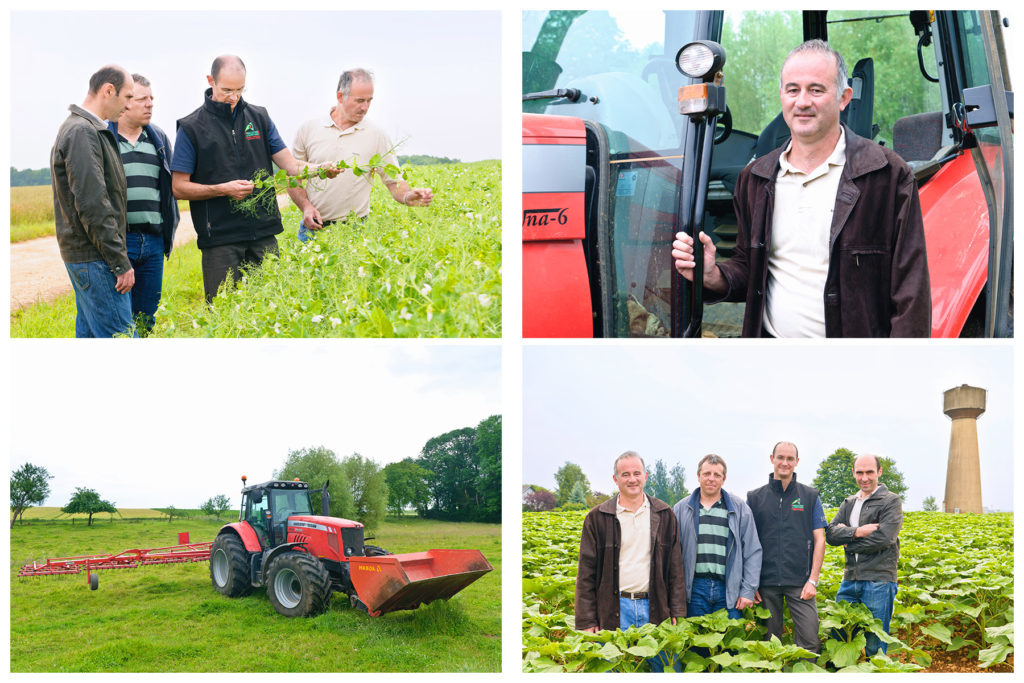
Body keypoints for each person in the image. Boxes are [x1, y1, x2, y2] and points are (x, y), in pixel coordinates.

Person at [672, 39, 931, 337]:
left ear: (844, 97)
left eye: (816, 90)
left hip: (855, 369)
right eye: (793, 90)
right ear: (782, 96)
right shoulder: (755, 179)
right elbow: (748, 268)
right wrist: (713, 274)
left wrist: (902, 371)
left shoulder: (887, 175)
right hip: (771, 362)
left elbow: (911, 294)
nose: (803, 101)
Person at [171, 55, 340, 302]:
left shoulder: (259, 117)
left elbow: (290, 165)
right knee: (223, 312)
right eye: (227, 90)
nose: (234, 97)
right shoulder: (191, 127)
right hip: (220, 239)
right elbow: (179, 187)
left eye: (240, 89)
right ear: (211, 81)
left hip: (263, 233)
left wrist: (319, 168)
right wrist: (223, 189)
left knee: (272, 307)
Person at [288, 68, 434, 242]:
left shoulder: (376, 135)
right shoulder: (309, 129)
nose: (365, 107)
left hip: (355, 230)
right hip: (313, 228)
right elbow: (292, 176)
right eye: (359, 101)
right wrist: (306, 207)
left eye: (369, 101)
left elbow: (394, 180)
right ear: (340, 97)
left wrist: (407, 196)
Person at [575, 451, 685, 671]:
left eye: (637, 473)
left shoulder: (664, 514)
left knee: (665, 667)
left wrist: (677, 611)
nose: (632, 479)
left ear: (646, 475)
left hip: (656, 606)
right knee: (615, 668)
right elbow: (586, 573)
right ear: (615, 479)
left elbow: (675, 569)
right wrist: (587, 621)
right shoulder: (597, 518)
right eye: (625, 474)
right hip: (615, 607)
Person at [51, 65, 137, 337]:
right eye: (127, 97)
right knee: (121, 337)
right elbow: (93, 204)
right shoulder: (82, 132)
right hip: (95, 257)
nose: (128, 106)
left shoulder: (86, 128)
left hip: (91, 256)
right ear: (108, 91)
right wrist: (119, 262)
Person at [108, 74, 179, 335]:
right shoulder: (105, 138)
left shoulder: (158, 138)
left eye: (152, 99)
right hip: (119, 241)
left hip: (153, 241)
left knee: (146, 317)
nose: (150, 104)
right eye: (142, 99)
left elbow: (172, 187)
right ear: (124, 102)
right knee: (120, 319)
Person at [746, 442, 827, 655]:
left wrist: (813, 580)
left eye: (790, 459)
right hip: (766, 583)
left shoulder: (810, 496)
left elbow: (820, 539)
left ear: (797, 462)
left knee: (809, 641)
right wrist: (751, 583)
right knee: (769, 644)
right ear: (772, 459)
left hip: (800, 583)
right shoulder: (755, 498)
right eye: (780, 457)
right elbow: (747, 541)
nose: (785, 462)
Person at [825, 454, 903, 655]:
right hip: (850, 579)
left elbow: (884, 539)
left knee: (874, 644)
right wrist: (857, 532)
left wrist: (848, 543)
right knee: (839, 634)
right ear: (853, 473)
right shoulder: (849, 502)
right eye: (859, 472)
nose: (864, 477)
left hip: (879, 580)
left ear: (879, 472)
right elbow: (831, 534)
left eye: (869, 472)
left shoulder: (890, 501)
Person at [673, 454, 761, 619]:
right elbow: (672, 556)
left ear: (724, 479)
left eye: (716, 475)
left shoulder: (739, 508)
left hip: (729, 589)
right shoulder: (680, 509)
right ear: (698, 476)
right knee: (696, 643)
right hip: (693, 590)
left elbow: (753, 551)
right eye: (706, 474)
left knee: (729, 643)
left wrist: (748, 590)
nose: (711, 479)